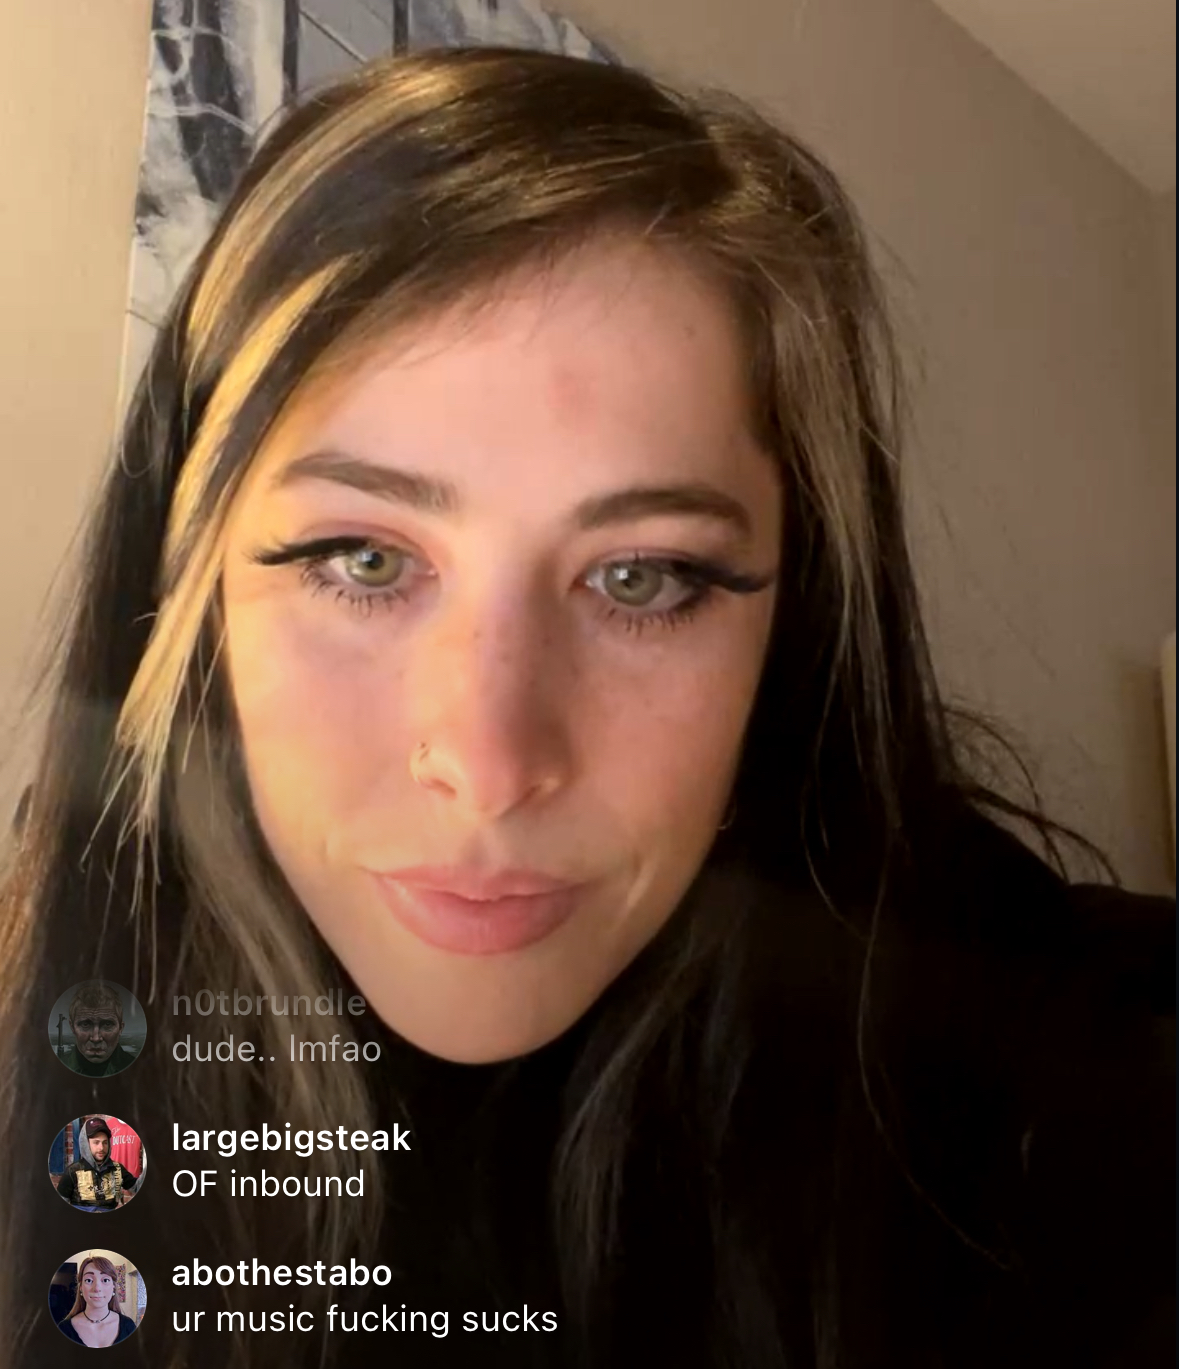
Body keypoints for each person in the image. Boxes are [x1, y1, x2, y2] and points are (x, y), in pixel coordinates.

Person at [1, 45, 1172, 1369]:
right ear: (189, 590)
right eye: (362, 559)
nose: (491, 762)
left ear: (792, 626)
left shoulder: (1055, 1088)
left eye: (640, 577)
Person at [55, 1119, 140, 1213]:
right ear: (86, 1144)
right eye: (96, 1142)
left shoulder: (117, 1168)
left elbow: (136, 1188)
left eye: (105, 1142)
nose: (101, 1148)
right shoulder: (72, 1171)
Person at [54, 983, 138, 1077]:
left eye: (107, 1024)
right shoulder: (55, 1068)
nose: (96, 1038)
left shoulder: (137, 1069)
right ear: (72, 1027)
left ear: (120, 1028)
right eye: (85, 1024)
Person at [54, 1254, 138, 1348]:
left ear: (113, 1287)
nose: (97, 1288)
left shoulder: (129, 1326)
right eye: (89, 1280)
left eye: (105, 1280)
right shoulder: (64, 1329)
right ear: (81, 1288)